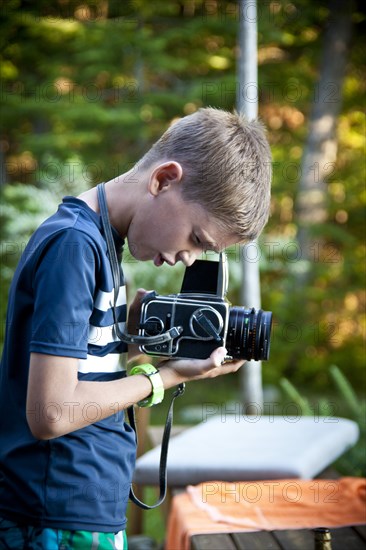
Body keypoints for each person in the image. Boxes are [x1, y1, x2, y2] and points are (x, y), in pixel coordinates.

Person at [0, 107, 272, 549]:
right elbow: (50, 413)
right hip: (53, 518)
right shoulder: (75, 245)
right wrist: (164, 378)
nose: (187, 258)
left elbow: (82, 366)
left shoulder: (102, 245)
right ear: (163, 179)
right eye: (198, 240)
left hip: (79, 512)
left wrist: (135, 331)